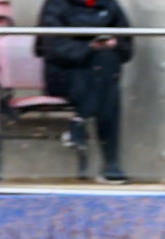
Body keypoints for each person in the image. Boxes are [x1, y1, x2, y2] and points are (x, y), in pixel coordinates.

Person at [37, 0, 133, 183]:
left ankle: (79, 121)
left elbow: (127, 47)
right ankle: (111, 164)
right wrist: (90, 47)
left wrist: (114, 43)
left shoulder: (109, 5)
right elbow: (51, 47)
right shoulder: (55, 4)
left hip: (101, 77)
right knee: (106, 86)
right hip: (63, 78)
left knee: (106, 64)